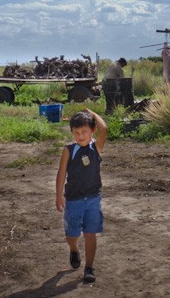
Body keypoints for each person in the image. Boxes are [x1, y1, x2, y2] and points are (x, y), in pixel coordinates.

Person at [56, 108, 107, 284]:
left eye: (84, 131)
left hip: (93, 198)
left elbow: (104, 128)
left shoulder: (96, 148)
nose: (80, 135)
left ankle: (89, 268)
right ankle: (74, 250)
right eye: (76, 132)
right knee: (72, 234)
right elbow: (61, 173)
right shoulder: (69, 150)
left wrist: (92, 113)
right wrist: (58, 196)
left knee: (90, 233)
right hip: (73, 199)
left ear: (92, 131)